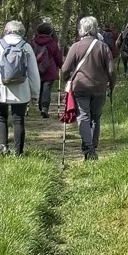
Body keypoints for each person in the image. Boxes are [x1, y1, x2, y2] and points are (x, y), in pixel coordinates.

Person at [61, 13, 117, 161]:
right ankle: (92, 146)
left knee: (84, 116)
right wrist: (111, 85)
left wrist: (66, 81)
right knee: (95, 116)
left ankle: (88, 147)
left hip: (80, 87)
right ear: (95, 29)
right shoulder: (103, 47)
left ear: (81, 29)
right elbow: (111, 70)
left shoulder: (75, 47)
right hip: (99, 87)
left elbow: (65, 69)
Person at [0, 18, 37, 155]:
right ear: (21, 32)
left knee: (1, 117)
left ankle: (3, 147)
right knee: (18, 120)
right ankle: (19, 152)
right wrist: (35, 94)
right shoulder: (26, 46)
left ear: (6, 31)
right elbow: (33, 72)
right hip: (21, 90)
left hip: (1, 89)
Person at [29, 19, 64, 120]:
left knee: (38, 87)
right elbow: (57, 57)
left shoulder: (33, 43)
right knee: (47, 89)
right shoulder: (52, 43)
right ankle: (44, 108)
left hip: (35, 68)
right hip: (49, 70)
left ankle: (39, 106)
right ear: (51, 32)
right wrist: (62, 66)